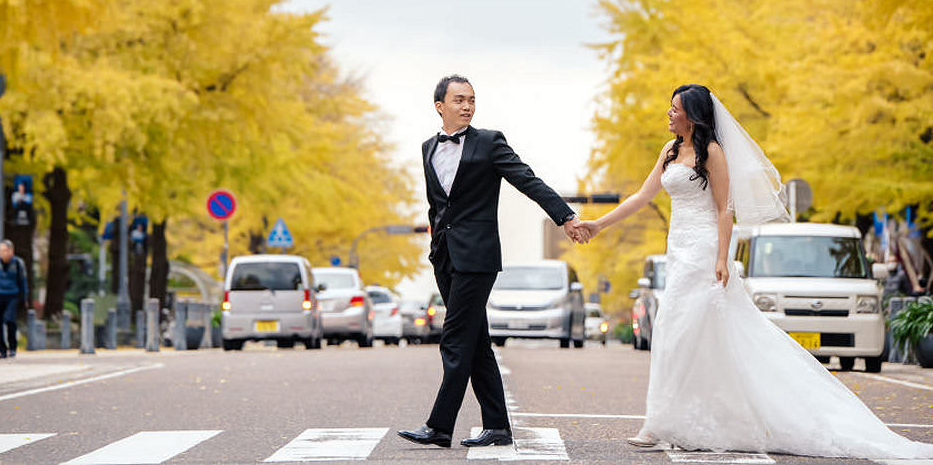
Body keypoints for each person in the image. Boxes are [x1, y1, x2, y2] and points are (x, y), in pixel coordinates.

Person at [578, 84, 933, 459]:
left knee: (686, 329)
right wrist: (599, 224)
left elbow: (724, 210)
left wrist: (721, 258)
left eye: (675, 108)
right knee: (674, 331)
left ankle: (665, 423)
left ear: (693, 115)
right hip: (678, 250)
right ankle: (667, 421)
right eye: (669, 107)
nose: (669, 113)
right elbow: (641, 196)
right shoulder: (668, 151)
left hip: (703, 251)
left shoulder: (712, 153)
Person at [397, 75, 586, 449]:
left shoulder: (489, 142)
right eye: (459, 100)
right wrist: (436, 245)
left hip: (478, 257)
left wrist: (564, 217)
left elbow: (526, 180)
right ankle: (497, 425)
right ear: (440, 106)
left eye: (471, 100)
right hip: (446, 257)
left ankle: (439, 426)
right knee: (476, 341)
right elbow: (438, 206)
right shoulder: (427, 148)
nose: (467, 106)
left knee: (453, 340)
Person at [0, 240, 28, 359]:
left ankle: (12, 347)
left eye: (5, 250)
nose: (2, 253)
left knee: (9, 320)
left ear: (11, 251)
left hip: (12, 295)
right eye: (1, 251)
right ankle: (2, 350)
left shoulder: (18, 263)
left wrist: (24, 297)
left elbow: (23, 281)